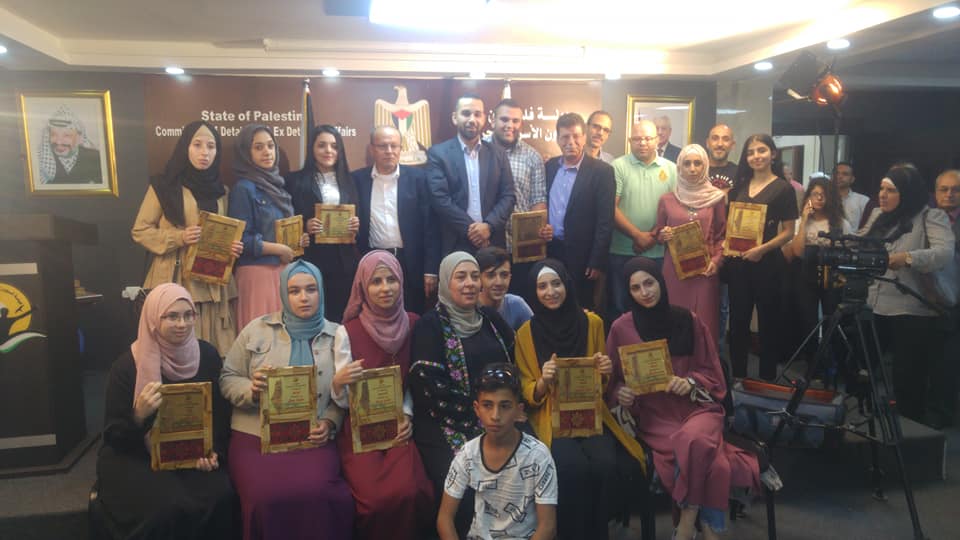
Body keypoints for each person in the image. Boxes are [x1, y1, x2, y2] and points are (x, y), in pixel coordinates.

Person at [607, 257, 761, 540]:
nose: (645, 292)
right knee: (715, 462)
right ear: (628, 293)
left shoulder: (688, 320)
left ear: (661, 282)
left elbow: (713, 372)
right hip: (655, 416)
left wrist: (690, 382)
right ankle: (710, 530)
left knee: (692, 440)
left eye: (649, 283)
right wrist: (621, 392)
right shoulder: (621, 328)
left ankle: (687, 523)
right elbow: (612, 381)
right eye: (636, 288)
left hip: (698, 409)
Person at [220, 260, 354, 540]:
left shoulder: (337, 335)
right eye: (294, 291)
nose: (304, 297)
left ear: (321, 291)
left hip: (312, 437)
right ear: (283, 293)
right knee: (263, 497)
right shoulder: (257, 329)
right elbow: (228, 377)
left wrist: (330, 422)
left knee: (319, 492)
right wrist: (251, 390)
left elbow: (342, 394)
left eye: (311, 289)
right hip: (256, 435)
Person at [515, 259, 646, 540]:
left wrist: (604, 371)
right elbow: (526, 388)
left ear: (567, 284)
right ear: (533, 292)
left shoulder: (592, 323)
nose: (551, 291)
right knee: (570, 467)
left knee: (605, 464)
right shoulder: (525, 333)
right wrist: (543, 381)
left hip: (590, 412)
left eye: (556, 283)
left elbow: (601, 384)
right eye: (542, 286)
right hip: (550, 415)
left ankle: (597, 533)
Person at [96, 284, 237, 539]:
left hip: (193, 451)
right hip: (135, 454)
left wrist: (214, 450)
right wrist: (138, 415)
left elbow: (220, 414)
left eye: (188, 315)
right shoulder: (127, 366)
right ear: (153, 318)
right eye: (172, 316)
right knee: (167, 507)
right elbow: (113, 434)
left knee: (221, 495)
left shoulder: (207, 355)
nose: (182, 324)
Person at [408, 251, 515, 535]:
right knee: (464, 482)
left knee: (525, 467)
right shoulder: (430, 325)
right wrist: (481, 414)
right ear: (446, 282)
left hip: (499, 417)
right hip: (445, 422)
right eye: (461, 277)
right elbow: (429, 389)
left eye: (474, 276)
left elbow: (515, 363)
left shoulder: (490, 318)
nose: (469, 283)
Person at [330, 250, 435, 539]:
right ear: (362, 287)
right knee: (372, 502)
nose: (385, 288)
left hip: (399, 426)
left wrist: (407, 415)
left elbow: (414, 382)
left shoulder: (414, 323)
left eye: (391, 279)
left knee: (412, 491)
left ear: (402, 282)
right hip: (360, 430)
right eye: (375, 281)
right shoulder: (347, 332)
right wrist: (338, 383)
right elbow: (343, 401)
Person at [132, 120, 242, 355]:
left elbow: (222, 231)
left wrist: (231, 247)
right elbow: (140, 230)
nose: (205, 153)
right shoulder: (164, 186)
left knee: (214, 348)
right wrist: (179, 237)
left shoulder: (222, 191)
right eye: (197, 145)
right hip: (176, 277)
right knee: (176, 345)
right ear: (185, 147)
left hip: (213, 281)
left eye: (211, 146)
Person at [861, 165, 955, 426]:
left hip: (911, 309)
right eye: (881, 189)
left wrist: (908, 258)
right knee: (862, 369)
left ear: (907, 192)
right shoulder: (878, 215)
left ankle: (910, 430)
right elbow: (859, 240)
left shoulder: (930, 216)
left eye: (891, 190)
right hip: (874, 304)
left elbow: (944, 253)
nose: (882, 195)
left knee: (907, 379)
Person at [437, 363, 557, 540]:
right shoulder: (468, 454)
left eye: (505, 406)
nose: (495, 416)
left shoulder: (538, 456)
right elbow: (445, 518)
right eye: (487, 405)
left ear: (519, 411)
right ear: (477, 409)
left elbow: (547, 527)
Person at [725, 134, 798, 380]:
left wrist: (762, 249)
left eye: (761, 150)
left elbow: (789, 232)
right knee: (738, 324)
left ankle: (767, 382)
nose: (756, 156)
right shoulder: (739, 187)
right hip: (738, 265)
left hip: (768, 265)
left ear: (773, 154)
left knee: (768, 325)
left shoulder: (784, 189)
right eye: (751, 152)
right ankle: (738, 380)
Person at [228, 124, 308, 330]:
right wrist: (279, 249)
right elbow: (241, 240)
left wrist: (297, 241)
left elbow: (279, 231)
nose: (267, 152)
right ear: (246, 152)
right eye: (258, 147)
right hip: (257, 275)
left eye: (271, 146)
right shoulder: (243, 188)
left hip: (282, 272)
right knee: (261, 341)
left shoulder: (278, 187)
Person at [353, 125, 439, 314]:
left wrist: (431, 269)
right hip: (373, 261)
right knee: (376, 316)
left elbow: (430, 227)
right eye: (382, 146)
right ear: (372, 149)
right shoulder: (357, 180)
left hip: (410, 263)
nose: (389, 151)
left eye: (394, 146)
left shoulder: (419, 179)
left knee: (412, 316)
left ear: (401, 148)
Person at [285, 124, 361, 322]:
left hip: (343, 261)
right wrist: (305, 226)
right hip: (311, 258)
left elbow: (360, 219)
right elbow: (287, 221)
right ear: (312, 148)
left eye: (334, 146)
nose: (328, 151)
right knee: (312, 314)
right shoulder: (294, 180)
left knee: (341, 316)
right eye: (322, 145)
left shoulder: (351, 180)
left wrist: (355, 225)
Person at [426, 94, 516, 255]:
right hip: (455, 241)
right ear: (455, 118)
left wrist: (488, 226)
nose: (472, 119)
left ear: (484, 118)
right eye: (466, 113)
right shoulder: (438, 154)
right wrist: (474, 232)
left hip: (492, 240)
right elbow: (440, 199)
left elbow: (508, 196)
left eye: (477, 114)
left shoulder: (498, 154)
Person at [655, 144, 727, 344]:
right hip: (674, 271)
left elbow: (722, 235)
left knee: (704, 322)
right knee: (674, 319)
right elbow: (658, 233)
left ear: (705, 166)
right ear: (679, 167)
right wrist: (664, 234)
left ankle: (704, 363)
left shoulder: (716, 198)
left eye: (698, 163)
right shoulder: (667, 200)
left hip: (705, 270)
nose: (692, 169)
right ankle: (676, 363)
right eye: (687, 164)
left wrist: (717, 261)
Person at [544, 112, 615, 312]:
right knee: (552, 306)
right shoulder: (549, 167)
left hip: (583, 256)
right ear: (558, 139)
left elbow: (605, 221)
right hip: (551, 250)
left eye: (576, 136)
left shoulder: (602, 171)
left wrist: (597, 260)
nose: (571, 142)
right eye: (565, 137)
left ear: (584, 137)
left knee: (580, 308)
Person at [609, 120, 678, 316]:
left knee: (657, 308)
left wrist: (652, 237)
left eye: (648, 138)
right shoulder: (617, 166)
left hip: (659, 252)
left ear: (657, 140)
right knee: (622, 308)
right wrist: (637, 236)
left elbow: (675, 210)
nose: (643, 143)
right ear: (630, 141)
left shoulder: (672, 169)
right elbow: (610, 207)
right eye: (637, 139)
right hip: (622, 251)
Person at [781, 176, 851, 366]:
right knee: (808, 321)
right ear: (808, 197)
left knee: (832, 320)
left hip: (832, 277)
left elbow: (848, 253)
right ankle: (812, 364)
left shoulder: (841, 223)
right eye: (815, 194)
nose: (819, 198)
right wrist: (804, 220)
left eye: (823, 195)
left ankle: (832, 364)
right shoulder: (800, 222)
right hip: (806, 276)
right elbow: (797, 252)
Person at [486, 99, 547, 300]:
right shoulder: (479, 150)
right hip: (485, 244)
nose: (510, 125)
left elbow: (538, 201)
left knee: (519, 301)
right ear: (493, 120)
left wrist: (538, 231)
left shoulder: (532, 157)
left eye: (515, 121)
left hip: (520, 249)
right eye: (504, 119)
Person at [931, 169, 960, 428]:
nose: (950, 194)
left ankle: (944, 414)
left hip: (956, 303)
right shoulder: (925, 219)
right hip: (926, 298)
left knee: (950, 361)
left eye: (956, 189)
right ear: (935, 192)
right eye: (944, 189)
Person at [38, 105, 103, 184]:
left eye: (66, 135)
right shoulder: (40, 160)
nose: (58, 142)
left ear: (79, 138)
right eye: (53, 135)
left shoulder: (96, 158)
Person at [476, 246, 533, 331]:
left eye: (504, 275)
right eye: (491, 276)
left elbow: (535, 335)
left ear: (510, 277)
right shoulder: (470, 307)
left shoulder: (516, 304)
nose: (498, 282)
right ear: (479, 278)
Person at [834, 161, 873, 229]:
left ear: (852, 179)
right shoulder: (825, 198)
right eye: (837, 173)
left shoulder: (863, 200)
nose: (839, 176)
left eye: (845, 174)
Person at [706, 124, 738, 193]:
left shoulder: (739, 173)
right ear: (708, 143)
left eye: (726, 139)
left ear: (732, 145)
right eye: (715, 139)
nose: (720, 144)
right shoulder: (697, 171)